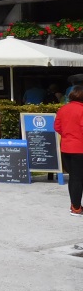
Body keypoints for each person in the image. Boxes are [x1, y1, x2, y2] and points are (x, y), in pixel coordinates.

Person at [55, 85, 83, 216]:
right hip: (80, 148)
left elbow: (57, 127)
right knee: (78, 179)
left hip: (66, 147)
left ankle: (75, 205)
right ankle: (76, 208)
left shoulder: (63, 109)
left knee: (74, 178)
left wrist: (68, 135)